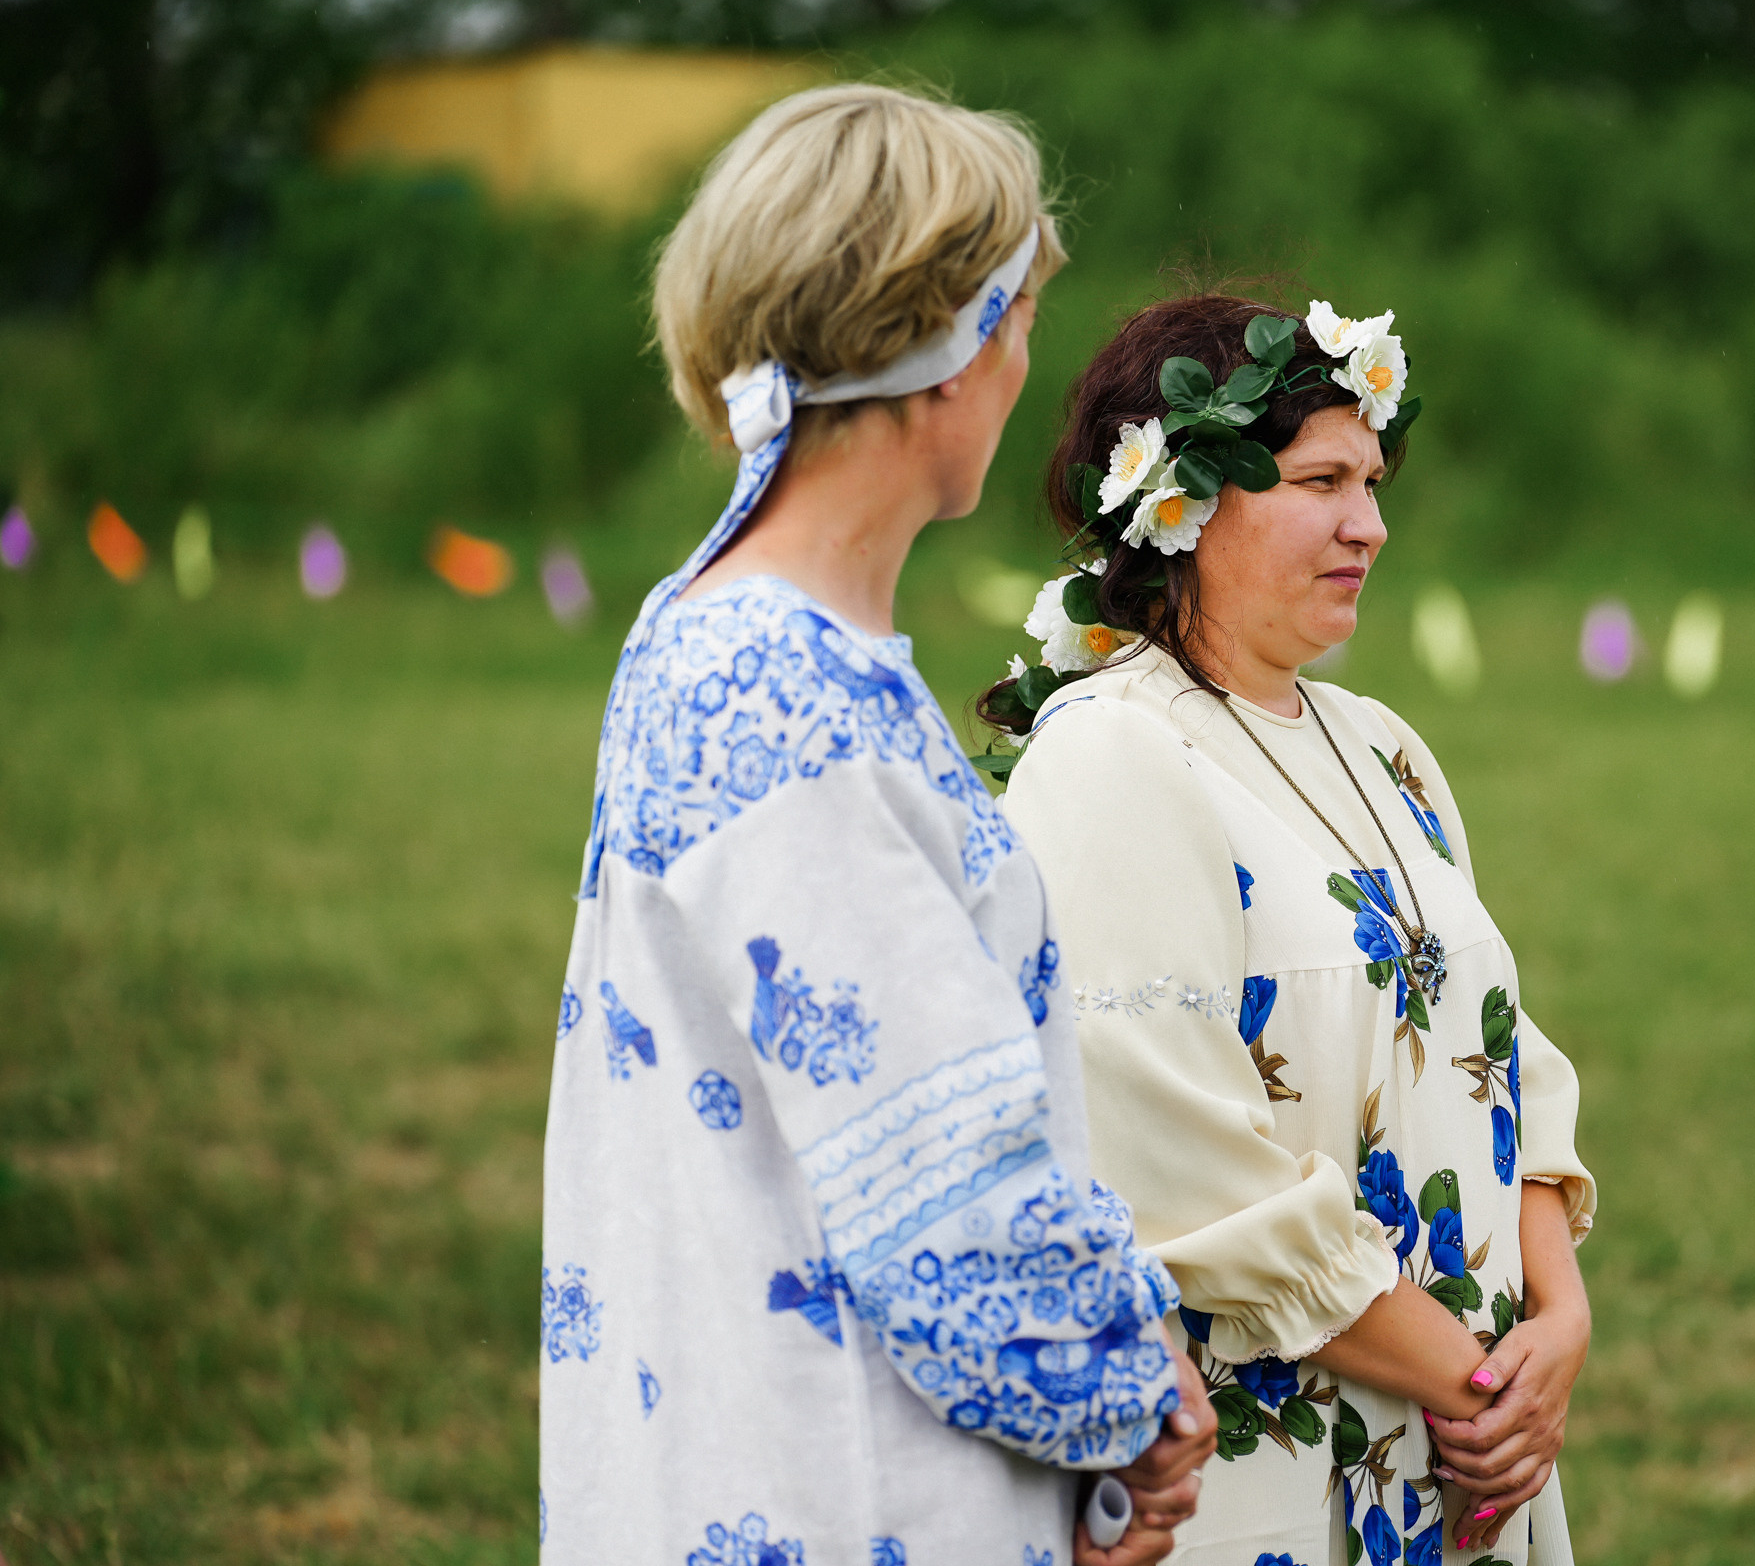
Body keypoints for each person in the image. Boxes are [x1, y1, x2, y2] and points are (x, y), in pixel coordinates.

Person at [541, 84, 1215, 1566]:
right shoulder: (788, 701)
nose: (1024, 360)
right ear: (941, 350)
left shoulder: (710, 635)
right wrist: (1132, 1400)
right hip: (838, 1496)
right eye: (1017, 317)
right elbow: (948, 1203)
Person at [984, 294, 1595, 1566]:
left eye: (1371, 480)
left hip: (1466, 1443)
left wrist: (1557, 1316)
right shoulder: (1110, 755)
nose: (1368, 523)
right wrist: (1470, 1382)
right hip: (1280, 1467)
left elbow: (1501, 1051)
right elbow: (1170, 1152)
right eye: (1322, 479)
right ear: (1186, 503)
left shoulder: (1385, 747)